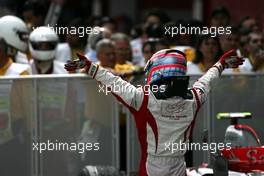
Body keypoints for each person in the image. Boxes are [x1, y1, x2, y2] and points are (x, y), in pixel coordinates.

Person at [64, 48, 244, 176]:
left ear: (156, 72)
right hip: (179, 166)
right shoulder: (194, 98)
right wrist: (220, 65)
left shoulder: (142, 98)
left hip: (152, 168)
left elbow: (114, 83)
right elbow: (207, 81)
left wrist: (90, 67)